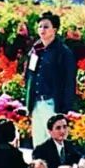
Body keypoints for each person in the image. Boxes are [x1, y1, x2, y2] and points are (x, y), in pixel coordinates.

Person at [25, 12, 76, 147]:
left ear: (55, 29)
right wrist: (28, 103)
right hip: (36, 103)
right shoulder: (35, 50)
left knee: (54, 143)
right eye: (40, 26)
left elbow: (69, 81)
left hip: (52, 103)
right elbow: (29, 77)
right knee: (38, 142)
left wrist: (65, 108)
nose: (42, 30)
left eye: (46, 26)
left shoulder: (63, 52)